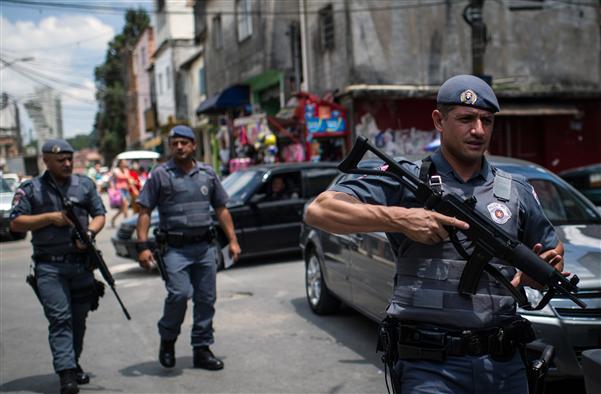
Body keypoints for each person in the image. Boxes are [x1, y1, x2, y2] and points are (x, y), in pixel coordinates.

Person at [304, 75, 565, 394]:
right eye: (466, 119)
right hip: (430, 367)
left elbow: (550, 250)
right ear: (439, 121)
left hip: (503, 365)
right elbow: (320, 209)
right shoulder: (408, 180)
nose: (478, 130)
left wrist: (541, 270)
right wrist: (401, 218)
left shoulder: (517, 191)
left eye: (487, 120)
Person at [136, 125, 241, 370]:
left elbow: (221, 209)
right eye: (175, 143)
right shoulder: (160, 174)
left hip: (205, 247)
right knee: (179, 294)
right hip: (175, 249)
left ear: (193, 145)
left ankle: (202, 349)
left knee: (206, 299)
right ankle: (168, 339)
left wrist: (233, 240)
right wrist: (142, 246)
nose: (179, 147)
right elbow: (144, 210)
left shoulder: (207, 173)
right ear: (170, 146)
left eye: (184, 142)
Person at [9, 139, 106, 394]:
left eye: (69, 159)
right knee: (60, 319)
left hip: (81, 266)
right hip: (49, 268)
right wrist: (50, 218)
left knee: (79, 320)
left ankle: (72, 362)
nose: (66, 164)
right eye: (60, 160)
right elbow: (16, 223)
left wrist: (89, 233)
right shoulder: (31, 188)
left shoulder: (84, 184)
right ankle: (66, 374)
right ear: (46, 161)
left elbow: (100, 214)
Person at [110, 159, 134, 227]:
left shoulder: (126, 170)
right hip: (119, 190)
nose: (125, 164)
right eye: (123, 163)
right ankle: (126, 222)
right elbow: (118, 177)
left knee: (123, 208)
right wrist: (128, 178)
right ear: (120, 164)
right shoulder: (116, 170)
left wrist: (131, 182)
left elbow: (129, 179)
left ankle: (113, 219)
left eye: (125, 162)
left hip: (126, 190)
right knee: (125, 205)